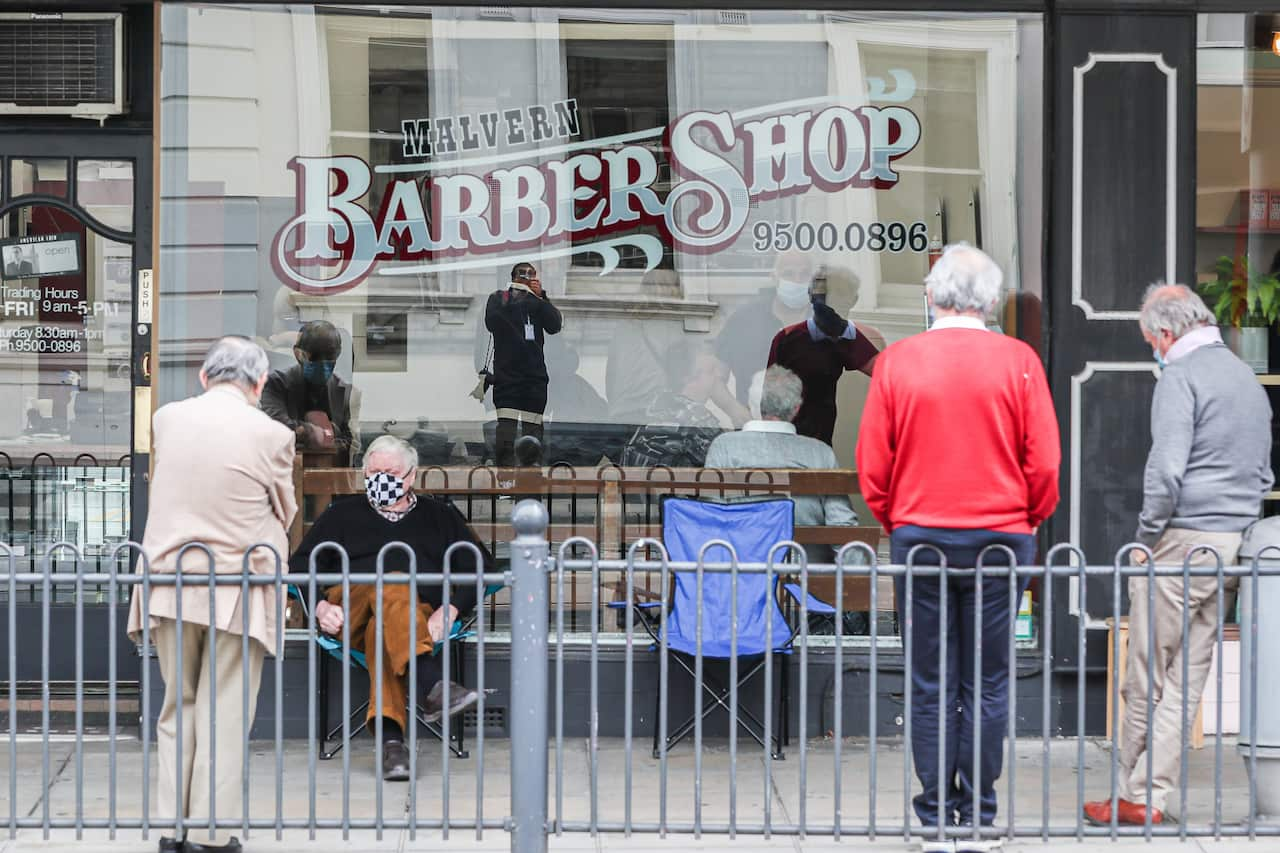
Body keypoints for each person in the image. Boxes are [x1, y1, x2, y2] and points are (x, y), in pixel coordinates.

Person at [856, 244, 1060, 830]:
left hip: (921, 534)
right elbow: (1044, 463)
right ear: (991, 301)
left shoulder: (898, 362)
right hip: (1000, 536)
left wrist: (898, 521)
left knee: (929, 681)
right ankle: (978, 814)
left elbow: (873, 464)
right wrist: (1027, 521)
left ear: (930, 296)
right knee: (989, 680)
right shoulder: (1018, 361)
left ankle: (935, 814)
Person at [1083, 284, 1273, 826]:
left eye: (1151, 341)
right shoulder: (1244, 378)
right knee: (1188, 676)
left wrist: (1145, 539)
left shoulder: (1181, 378)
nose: (1154, 351)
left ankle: (1131, 795)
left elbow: (1165, 471)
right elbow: (1263, 472)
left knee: (1144, 673)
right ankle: (1150, 795)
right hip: (1232, 544)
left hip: (1183, 540)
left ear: (1166, 334)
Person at [127, 336, 297, 853]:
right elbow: (286, 510)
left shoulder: (168, 419)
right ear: (260, 383)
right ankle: (210, 832)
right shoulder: (272, 433)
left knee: (177, 706)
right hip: (236, 587)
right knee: (224, 711)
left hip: (169, 582)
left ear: (205, 376)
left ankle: (169, 828)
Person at [289, 435, 492, 782]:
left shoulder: (438, 516)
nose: (380, 477)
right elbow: (298, 566)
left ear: (411, 476)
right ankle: (429, 681)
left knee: (381, 630)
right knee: (394, 580)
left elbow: (482, 567)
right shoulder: (342, 514)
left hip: (417, 620)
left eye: (390, 471)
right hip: (348, 611)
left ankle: (392, 746)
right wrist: (320, 606)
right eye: (374, 471)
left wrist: (453, 609)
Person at [705, 364, 856, 543]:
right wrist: (852, 570)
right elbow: (841, 523)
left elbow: (711, 514)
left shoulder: (724, 446)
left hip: (742, 563)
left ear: (752, 405)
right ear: (796, 409)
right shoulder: (821, 453)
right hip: (805, 564)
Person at [766, 267, 880, 444]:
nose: (833, 299)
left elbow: (885, 371)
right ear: (812, 296)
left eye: (841, 292)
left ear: (854, 299)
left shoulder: (849, 335)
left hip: (826, 440)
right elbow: (770, 401)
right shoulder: (788, 337)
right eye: (825, 293)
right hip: (786, 440)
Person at [484, 261, 563, 466]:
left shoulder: (537, 302)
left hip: (533, 378)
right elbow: (492, 322)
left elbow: (554, 325)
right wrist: (517, 297)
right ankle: (505, 480)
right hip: (506, 377)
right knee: (506, 433)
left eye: (531, 274)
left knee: (534, 431)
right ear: (512, 276)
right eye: (522, 274)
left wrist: (541, 297)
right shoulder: (498, 298)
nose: (526, 277)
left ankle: (531, 477)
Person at [260, 320, 361, 466]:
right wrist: (314, 433)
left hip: (332, 477)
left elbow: (351, 445)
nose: (324, 364)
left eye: (330, 358)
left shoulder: (345, 393)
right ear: (298, 354)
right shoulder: (276, 384)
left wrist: (325, 434)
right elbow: (277, 428)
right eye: (315, 357)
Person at [620, 341, 726, 468]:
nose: (719, 376)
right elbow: (728, 463)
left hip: (639, 485)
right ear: (688, 378)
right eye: (711, 371)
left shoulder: (652, 408)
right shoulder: (697, 418)